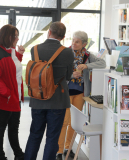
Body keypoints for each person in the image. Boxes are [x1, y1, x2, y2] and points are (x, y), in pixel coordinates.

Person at [24, 21, 74, 160]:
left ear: (49, 32)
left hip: (37, 98)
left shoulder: (34, 49)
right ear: (63, 37)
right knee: (52, 137)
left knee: (35, 134)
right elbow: (69, 75)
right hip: (58, 100)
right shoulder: (67, 52)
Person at [56, 31, 106, 160]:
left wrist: (87, 65)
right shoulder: (65, 53)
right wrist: (72, 74)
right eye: (73, 40)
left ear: (84, 44)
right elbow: (59, 70)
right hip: (65, 92)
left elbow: (103, 63)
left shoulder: (88, 55)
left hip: (80, 93)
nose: (73, 43)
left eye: (77, 42)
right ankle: (59, 151)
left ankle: (69, 148)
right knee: (64, 122)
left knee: (74, 123)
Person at [0, 24, 25, 160]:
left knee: (13, 128)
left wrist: (19, 54)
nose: (17, 38)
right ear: (7, 36)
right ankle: (0, 155)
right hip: (5, 99)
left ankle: (18, 154)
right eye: (15, 36)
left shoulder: (12, 51)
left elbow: (13, 69)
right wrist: (7, 93)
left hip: (15, 98)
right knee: (0, 130)